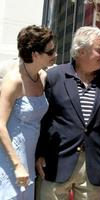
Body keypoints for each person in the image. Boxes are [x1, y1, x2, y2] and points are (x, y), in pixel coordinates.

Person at [35, 26, 100, 200]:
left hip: (94, 166)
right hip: (56, 163)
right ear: (81, 51)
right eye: (99, 50)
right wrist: (39, 154)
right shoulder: (54, 77)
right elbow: (43, 119)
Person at [0, 25, 56, 200]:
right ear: (35, 55)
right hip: (10, 160)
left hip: (29, 160)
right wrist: (16, 165)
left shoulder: (43, 77)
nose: (55, 54)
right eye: (50, 52)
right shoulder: (13, 81)